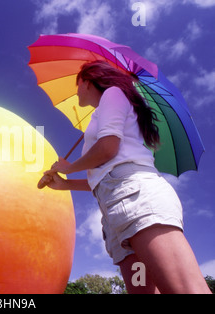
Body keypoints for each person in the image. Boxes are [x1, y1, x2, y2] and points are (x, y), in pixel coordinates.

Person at [40, 60, 211, 294]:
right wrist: (65, 184)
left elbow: (108, 148)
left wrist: (69, 167)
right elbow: (102, 176)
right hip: (115, 210)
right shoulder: (101, 112)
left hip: (136, 198)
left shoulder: (113, 94)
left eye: (77, 84)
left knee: (185, 290)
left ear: (88, 81)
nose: (76, 90)